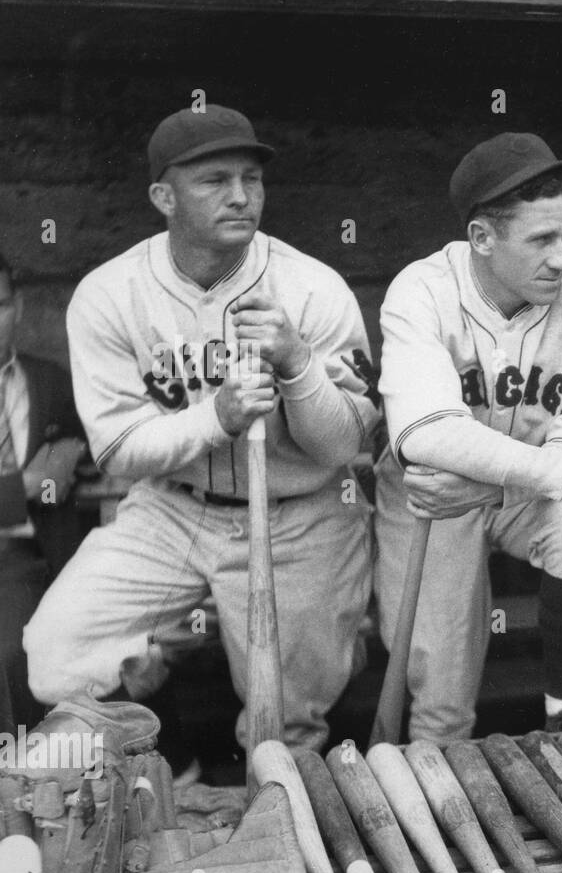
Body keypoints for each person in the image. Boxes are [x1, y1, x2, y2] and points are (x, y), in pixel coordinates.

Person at [24, 104, 380, 754]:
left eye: (252, 178)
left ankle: (276, 824)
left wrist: (298, 365)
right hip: (173, 512)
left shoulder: (311, 288)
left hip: (300, 515)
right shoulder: (110, 294)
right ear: (163, 196)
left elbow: (343, 445)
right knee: (57, 652)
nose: (242, 196)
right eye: (214, 180)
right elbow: (120, 451)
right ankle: (165, 759)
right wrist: (216, 417)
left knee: (286, 724)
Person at [375, 132, 562, 741]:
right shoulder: (420, 290)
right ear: (481, 238)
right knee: (441, 698)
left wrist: (516, 487)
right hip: (431, 496)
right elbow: (429, 435)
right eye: (542, 240)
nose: (561, 257)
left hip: (515, 490)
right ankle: (433, 790)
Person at [0, 252, 86, 733]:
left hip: (32, 559)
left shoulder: (51, 381)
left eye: (0, 305)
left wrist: (52, 479)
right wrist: (26, 485)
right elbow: (40, 483)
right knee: (7, 652)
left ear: (19, 306)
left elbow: (72, 467)